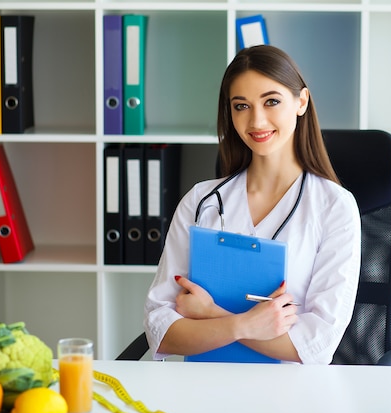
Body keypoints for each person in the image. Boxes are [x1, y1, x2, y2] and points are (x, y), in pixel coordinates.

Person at [143, 45, 361, 364]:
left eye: (271, 101)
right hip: (203, 389)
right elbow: (159, 331)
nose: (256, 120)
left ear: (301, 102)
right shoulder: (200, 201)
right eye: (241, 106)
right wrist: (245, 324)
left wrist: (209, 314)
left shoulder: (334, 207)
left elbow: (315, 347)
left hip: (291, 398)